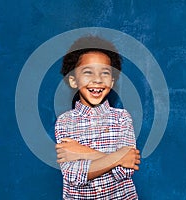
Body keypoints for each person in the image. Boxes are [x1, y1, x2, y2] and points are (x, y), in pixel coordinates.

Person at [55, 36, 140, 199]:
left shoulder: (122, 118)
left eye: (105, 73)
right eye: (88, 72)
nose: (97, 79)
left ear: (112, 81)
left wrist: (83, 152)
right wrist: (119, 157)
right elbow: (74, 176)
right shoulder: (64, 122)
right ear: (73, 80)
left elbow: (126, 169)